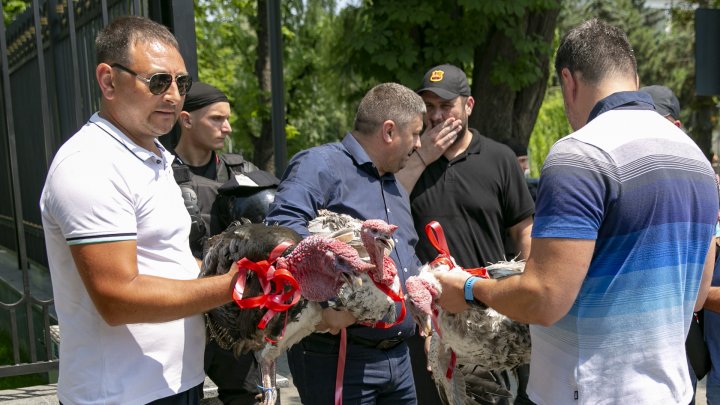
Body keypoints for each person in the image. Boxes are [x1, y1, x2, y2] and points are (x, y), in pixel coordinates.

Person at [433, 18, 717, 404]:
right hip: (672, 392)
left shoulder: (580, 154)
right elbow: (697, 296)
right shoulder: (697, 160)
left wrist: (467, 289)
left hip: (590, 393)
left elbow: (544, 298)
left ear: (569, 81)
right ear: (632, 74)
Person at [39, 16, 240, 404]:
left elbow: (168, 261)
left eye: (182, 83)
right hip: (118, 395)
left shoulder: (154, 156)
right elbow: (118, 296)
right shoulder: (90, 163)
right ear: (108, 80)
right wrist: (235, 286)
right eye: (158, 81)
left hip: (176, 384)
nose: (174, 96)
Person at [265, 82, 425, 404]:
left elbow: (407, 257)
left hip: (399, 358)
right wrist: (330, 305)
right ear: (389, 131)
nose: (420, 144)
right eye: (416, 133)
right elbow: (281, 228)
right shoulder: (319, 164)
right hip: (338, 359)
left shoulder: (393, 184)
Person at [395, 63, 535, 405]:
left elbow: (524, 232)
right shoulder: (408, 162)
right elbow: (389, 212)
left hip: (494, 320)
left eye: (446, 106)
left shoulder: (499, 158)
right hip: (434, 325)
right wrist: (422, 157)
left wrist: (530, 299)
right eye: (429, 107)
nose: (437, 116)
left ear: (468, 106)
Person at [172, 81, 279, 404]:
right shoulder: (160, 175)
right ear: (187, 120)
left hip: (237, 312)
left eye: (228, 119)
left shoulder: (245, 173)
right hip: (185, 311)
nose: (227, 128)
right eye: (216, 119)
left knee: (248, 396)